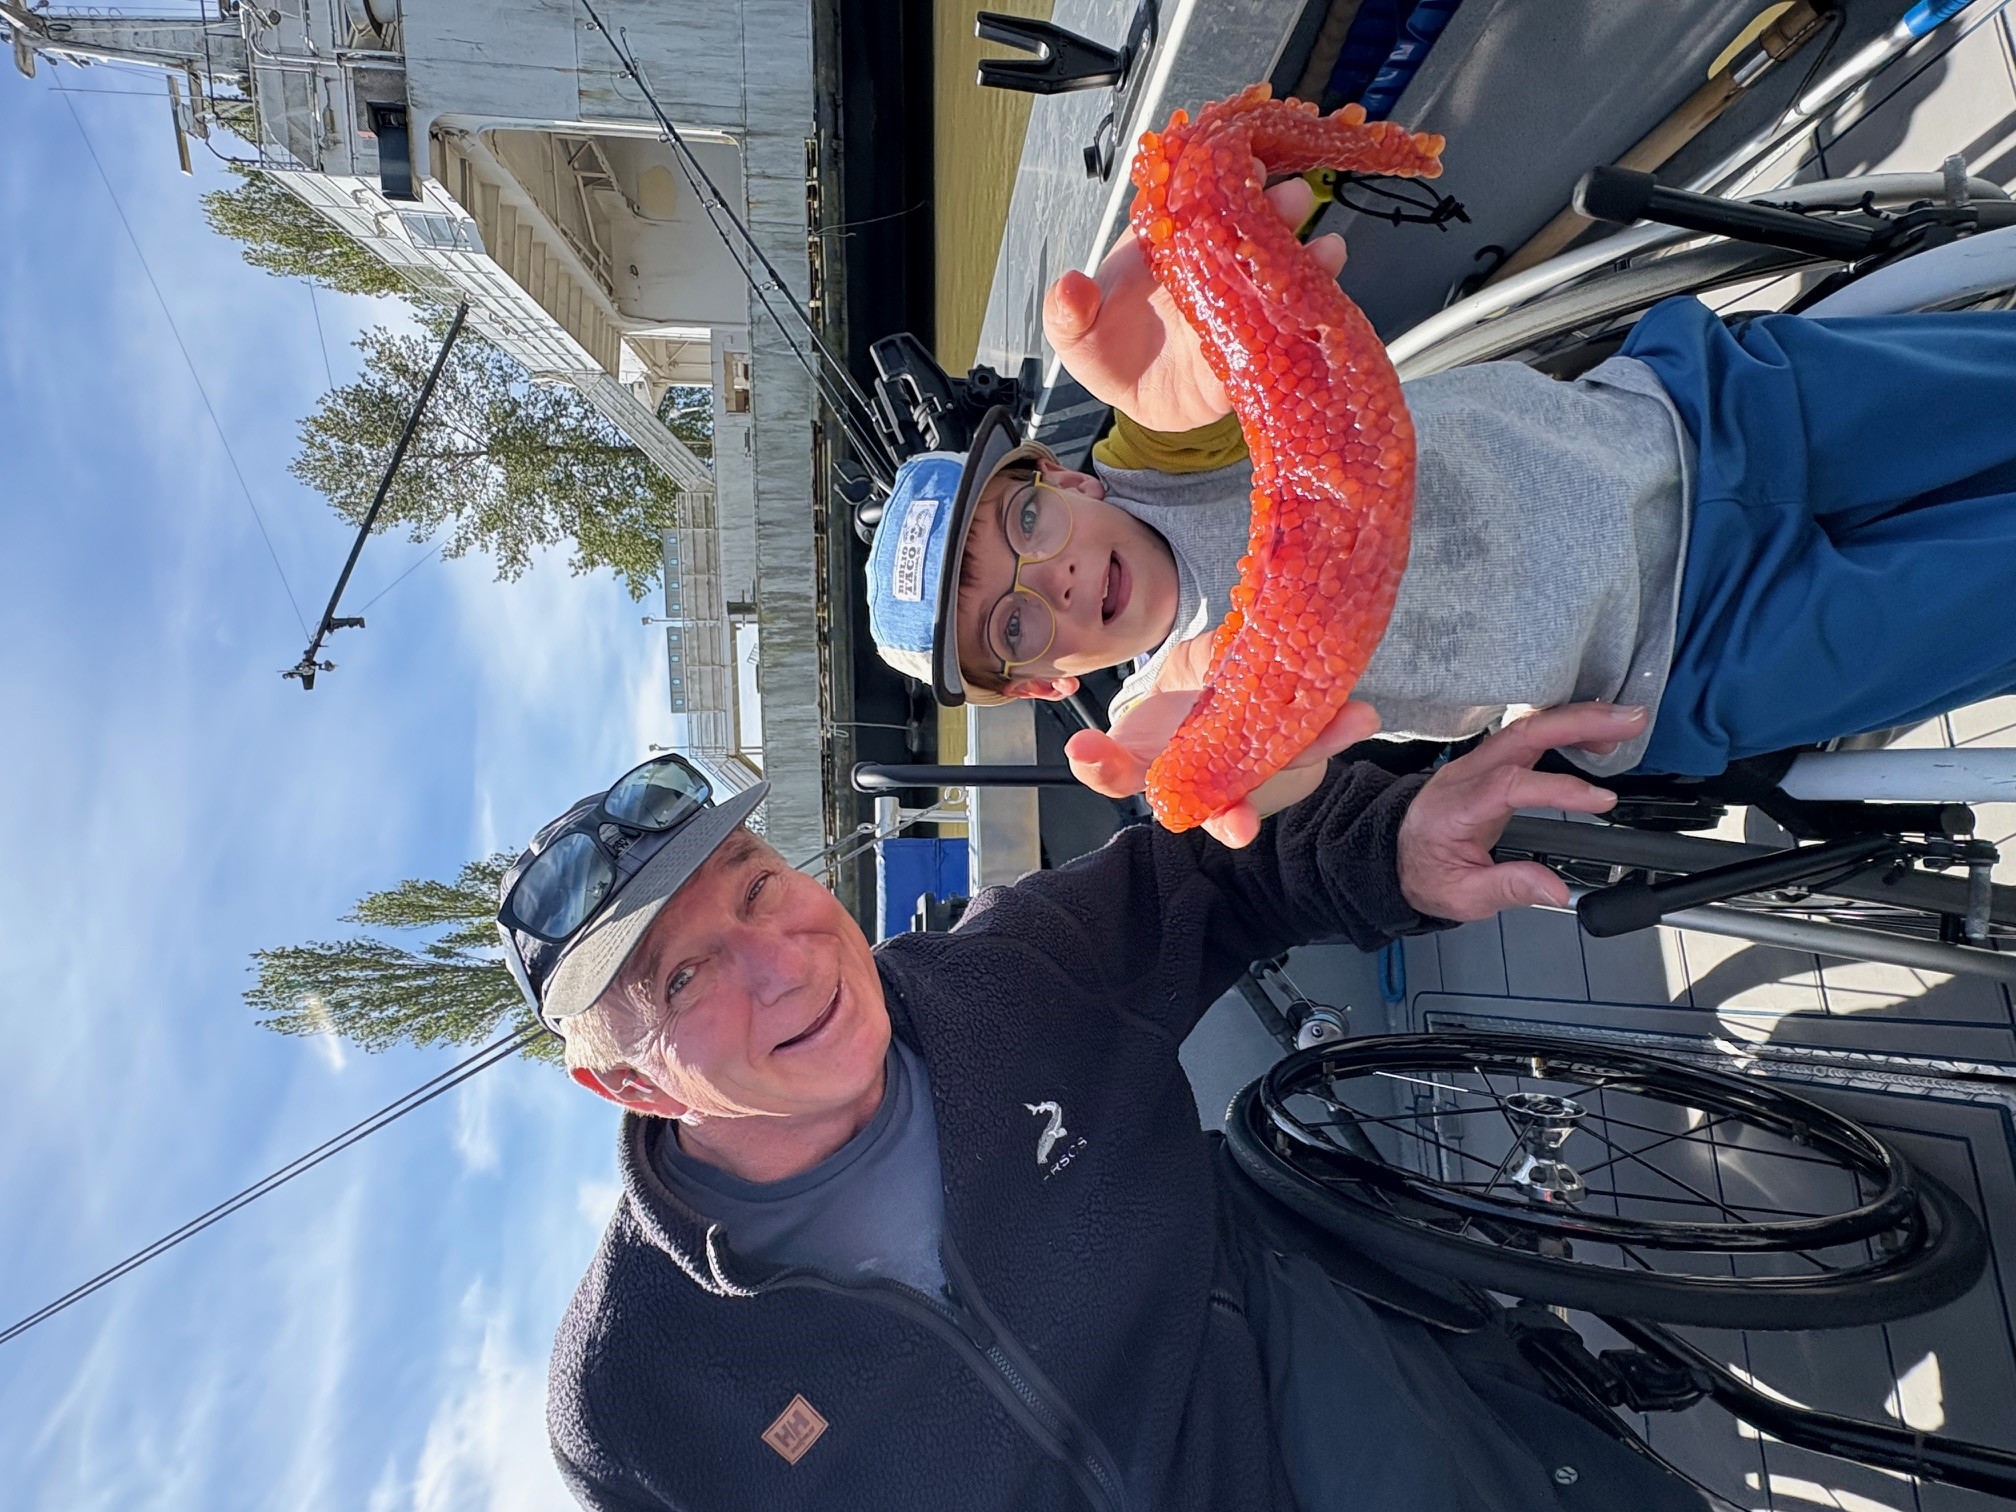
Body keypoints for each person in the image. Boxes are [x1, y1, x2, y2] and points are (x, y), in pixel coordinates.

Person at [506, 703, 1711, 1511]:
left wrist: (1394, 840)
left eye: (759, 884)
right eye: (681, 978)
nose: (782, 959)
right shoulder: (632, 1397)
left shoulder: (1006, 984)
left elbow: (1213, 878)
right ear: (626, 1082)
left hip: (1298, 1414)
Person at [862, 174, 2016, 809]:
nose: (1050, 577)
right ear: (1045, 679)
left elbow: (1198, 373)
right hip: (1691, 657)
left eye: (1020, 522)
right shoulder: (1176, 702)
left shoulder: (1166, 453)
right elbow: (1213, 753)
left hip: (1699, 413)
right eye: (1012, 624)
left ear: (1055, 474)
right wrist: (1222, 761)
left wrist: (1229, 271)